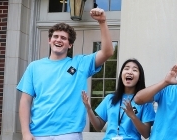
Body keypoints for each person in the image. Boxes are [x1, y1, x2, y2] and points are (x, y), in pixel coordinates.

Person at [17, 8, 113, 140]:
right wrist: (25, 132)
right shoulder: (34, 67)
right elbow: (25, 101)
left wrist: (102, 22)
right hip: (38, 133)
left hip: (69, 134)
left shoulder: (80, 63)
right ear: (49, 40)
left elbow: (107, 52)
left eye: (63, 38)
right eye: (55, 36)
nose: (58, 40)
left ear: (70, 45)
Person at [81, 59, 155, 140]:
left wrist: (132, 116)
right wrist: (88, 108)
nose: (129, 72)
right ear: (121, 75)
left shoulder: (145, 101)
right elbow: (98, 126)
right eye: (126, 68)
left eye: (134, 70)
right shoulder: (110, 98)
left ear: (139, 78)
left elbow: (146, 134)